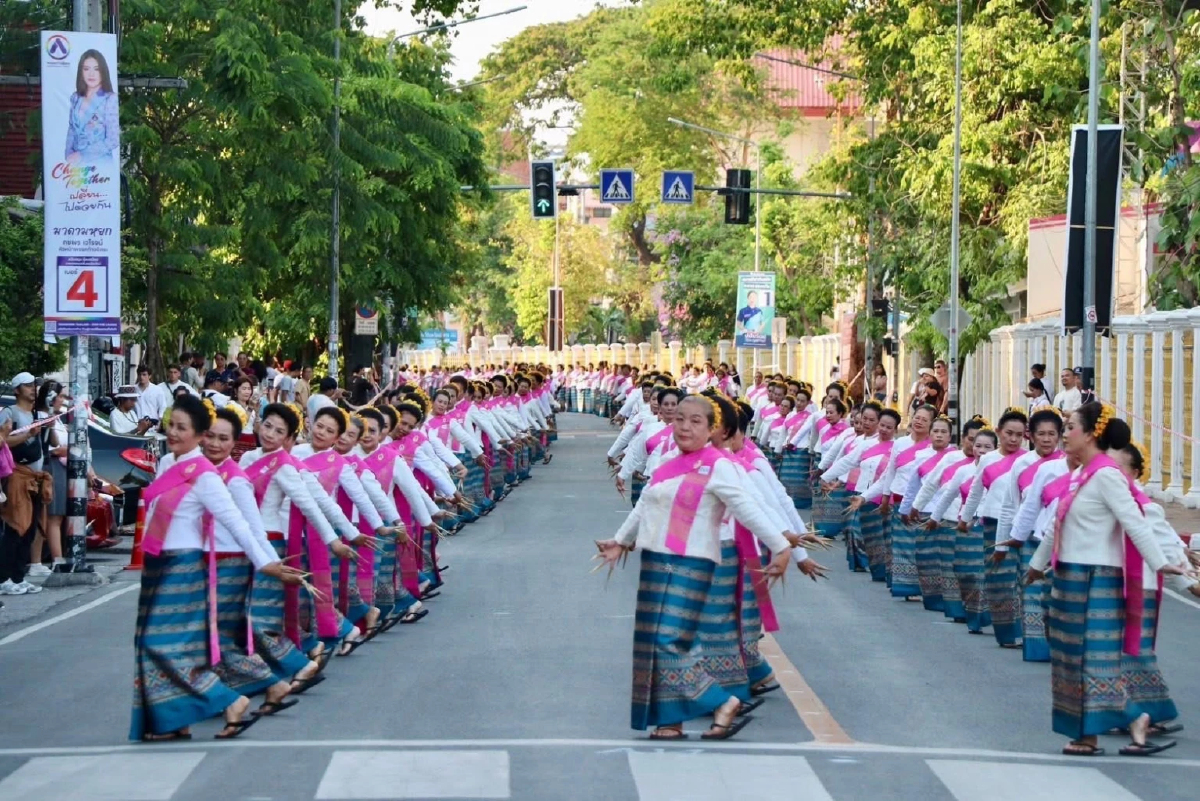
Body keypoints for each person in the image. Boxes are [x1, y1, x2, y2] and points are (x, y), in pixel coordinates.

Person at [596, 396, 800, 741]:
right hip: (656, 562)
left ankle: (721, 701)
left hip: (692, 563)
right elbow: (646, 503)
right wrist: (620, 540)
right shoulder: (666, 461)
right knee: (654, 643)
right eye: (679, 420)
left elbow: (749, 509)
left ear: (711, 430)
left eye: (695, 422)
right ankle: (670, 723)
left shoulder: (718, 465)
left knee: (668, 640)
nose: (685, 427)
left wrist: (780, 546)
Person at [1027, 402, 1187, 757]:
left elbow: (1136, 523)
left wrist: (1160, 564)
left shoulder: (1108, 475)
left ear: (1090, 434)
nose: (1064, 435)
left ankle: (1132, 719)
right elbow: (1058, 526)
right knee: (1069, 661)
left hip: (1098, 580)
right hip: (1069, 577)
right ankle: (1090, 735)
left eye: (1069, 428)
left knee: (1095, 661)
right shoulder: (1081, 474)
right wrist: (1037, 566)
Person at [131, 394, 278, 741]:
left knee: (160, 644)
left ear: (198, 434)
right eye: (171, 425)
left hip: (184, 567)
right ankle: (175, 721)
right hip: (158, 564)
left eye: (183, 428)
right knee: (150, 645)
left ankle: (230, 700)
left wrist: (266, 561)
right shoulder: (167, 462)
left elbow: (237, 522)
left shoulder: (207, 476)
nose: (173, 432)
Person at [0, 373, 47, 596]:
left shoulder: (36, 413)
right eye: (28, 386)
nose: (33, 389)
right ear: (17, 389)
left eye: (34, 385)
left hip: (35, 478)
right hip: (18, 477)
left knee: (29, 531)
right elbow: (3, 440)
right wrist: (28, 433)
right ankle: (4, 578)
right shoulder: (10, 414)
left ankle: (18, 577)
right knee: (14, 528)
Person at [64, 49, 118, 164]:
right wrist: (68, 155)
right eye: (86, 69)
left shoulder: (110, 99)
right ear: (81, 72)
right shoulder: (76, 97)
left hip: (100, 165)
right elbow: (72, 129)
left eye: (96, 69)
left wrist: (82, 155)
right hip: (75, 167)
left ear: (103, 71)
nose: (91, 74)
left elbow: (113, 140)